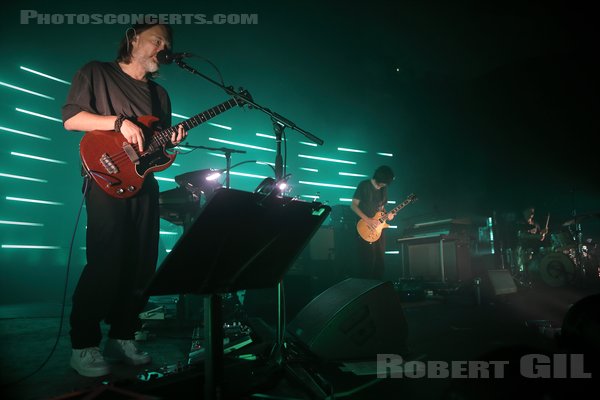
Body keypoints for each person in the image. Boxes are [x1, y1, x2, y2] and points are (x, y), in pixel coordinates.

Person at [62, 23, 187, 377]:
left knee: (142, 263)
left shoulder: (159, 95)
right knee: (107, 260)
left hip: (143, 185)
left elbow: (154, 155)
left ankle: (123, 334)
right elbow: (72, 120)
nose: (163, 47)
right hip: (104, 179)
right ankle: (83, 344)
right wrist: (118, 122)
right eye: (156, 39)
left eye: (167, 42)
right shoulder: (96, 72)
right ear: (133, 39)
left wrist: (171, 142)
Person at [351, 165, 395, 280]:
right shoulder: (364, 185)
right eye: (384, 182)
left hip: (378, 229)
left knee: (380, 261)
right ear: (379, 178)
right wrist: (368, 220)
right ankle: (364, 288)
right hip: (364, 227)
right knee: (367, 260)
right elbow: (353, 206)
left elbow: (381, 209)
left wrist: (388, 215)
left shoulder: (384, 189)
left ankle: (377, 288)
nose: (385, 185)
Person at [514, 206, 549, 280]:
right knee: (525, 271)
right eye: (530, 211)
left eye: (533, 212)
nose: (532, 213)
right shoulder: (520, 223)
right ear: (524, 212)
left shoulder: (536, 224)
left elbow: (541, 238)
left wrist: (543, 233)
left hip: (535, 251)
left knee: (535, 272)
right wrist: (537, 236)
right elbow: (522, 236)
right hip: (524, 250)